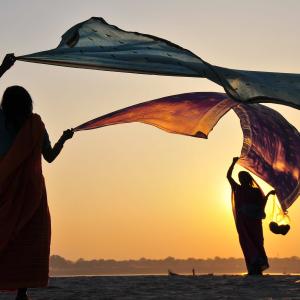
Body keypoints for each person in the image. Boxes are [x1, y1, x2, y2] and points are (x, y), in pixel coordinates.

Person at [0, 54, 74, 300]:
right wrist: (64, 139)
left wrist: (3, 68)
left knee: (6, 235)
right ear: (28, 104)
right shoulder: (36, 125)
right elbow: (50, 157)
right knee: (29, 240)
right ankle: (22, 292)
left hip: (4, 189)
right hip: (32, 194)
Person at [227, 157, 275, 275]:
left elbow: (261, 205)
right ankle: (252, 269)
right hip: (243, 222)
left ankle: (258, 268)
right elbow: (228, 176)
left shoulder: (255, 191)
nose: (241, 180)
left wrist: (268, 195)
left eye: (243, 178)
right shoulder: (238, 188)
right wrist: (233, 163)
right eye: (240, 178)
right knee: (247, 242)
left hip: (254, 221)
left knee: (258, 242)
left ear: (248, 179)